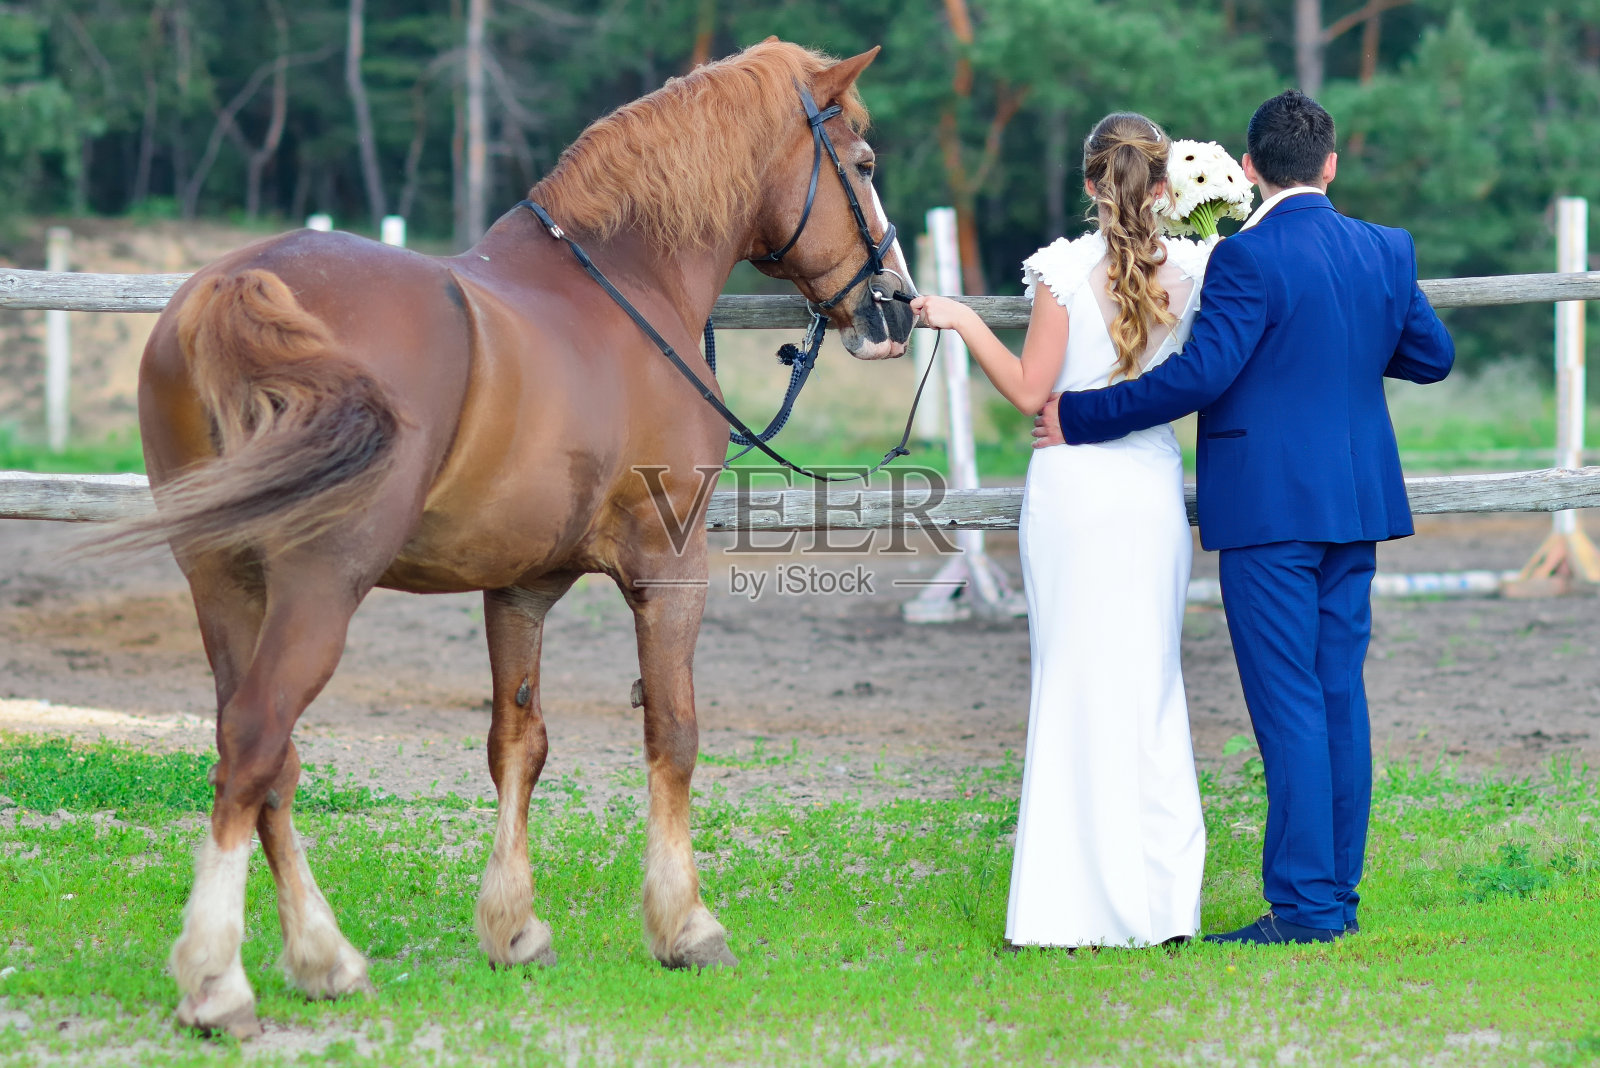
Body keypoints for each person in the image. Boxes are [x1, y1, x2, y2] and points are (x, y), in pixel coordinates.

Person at [1034, 91, 1455, 944]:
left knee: (1291, 704)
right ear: (1330, 164)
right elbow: (1432, 356)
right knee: (1339, 696)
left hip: (1270, 513)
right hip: (1357, 505)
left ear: (1253, 167)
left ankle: (1304, 910)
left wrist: (1079, 415)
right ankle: (1335, 900)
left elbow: (1201, 377)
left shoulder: (1246, 257)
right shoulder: (1385, 249)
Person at [911, 113, 1213, 949]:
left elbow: (1028, 389)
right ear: (1163, 186)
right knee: (1151, 687)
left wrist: (966, 321)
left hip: (1074, 492)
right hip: (1148, 489)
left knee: (1074, 683)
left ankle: (1067, 909)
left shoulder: (1058, 270)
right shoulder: (1191, 266)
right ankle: (1160, 909)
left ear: (1090, 183)